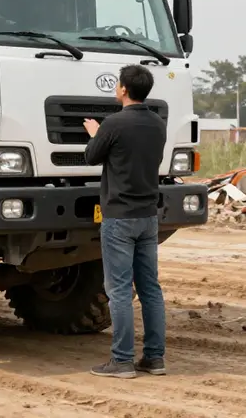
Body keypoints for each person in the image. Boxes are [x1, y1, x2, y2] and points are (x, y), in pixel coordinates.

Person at [83, 63, 168, 379]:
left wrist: (95, 133)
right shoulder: (157, 124)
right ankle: (155, 359)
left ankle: (121, 361)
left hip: (119, 217)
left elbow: (92, 156)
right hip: (148, 216)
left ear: (122, 89)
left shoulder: (113, 124)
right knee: (150, 289)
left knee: (118, 290)